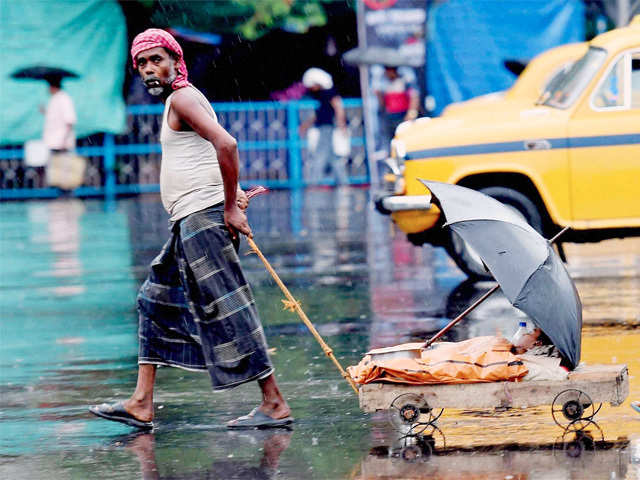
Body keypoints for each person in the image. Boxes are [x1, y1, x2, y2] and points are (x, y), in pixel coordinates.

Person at [90, 29, 292, 430]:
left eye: (157, 60)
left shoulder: (182, 98)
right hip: (188, 219)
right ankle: (141, 402)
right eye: (142, 63)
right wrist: (229, 199)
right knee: (155, 301)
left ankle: (274, 403)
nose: (150, 68)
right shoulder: (177, 101)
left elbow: (227, 145)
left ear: (175, 62)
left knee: (229, 305)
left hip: (203, 218)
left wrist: (231, 206)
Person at [298, 68, 348, 185]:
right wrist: (305, 125)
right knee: (333, 157)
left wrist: (342, 124)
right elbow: (319, 113)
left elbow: (338, 108)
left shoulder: (329, 92)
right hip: (325, 126)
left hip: (328, 127)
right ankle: (343, 181)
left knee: (320, 154)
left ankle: (314, 182)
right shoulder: (321, 95)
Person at [41, 74, 84, 190]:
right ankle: (60, 196)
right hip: (55, 142)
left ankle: (67, 196)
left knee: (66, 173)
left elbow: (69, 121)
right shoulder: (54, 99)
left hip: (62, 142)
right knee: (57, 173)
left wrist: (64, 140)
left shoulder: (64, 98)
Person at [374, 66, 419, 148]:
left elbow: (414, 97)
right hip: (390, 117)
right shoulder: (384, 83)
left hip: (402, 116)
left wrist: (411, 113)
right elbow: (382, 103)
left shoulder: (405, 81)